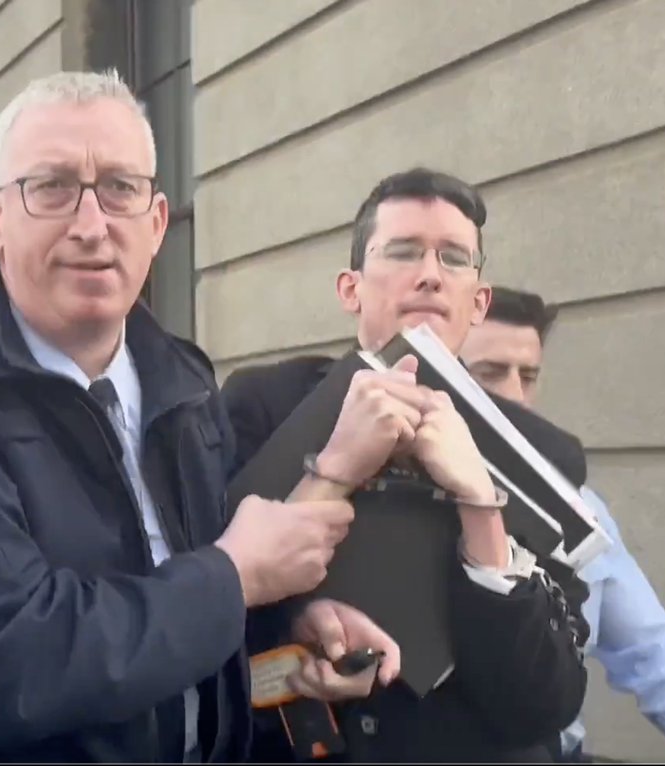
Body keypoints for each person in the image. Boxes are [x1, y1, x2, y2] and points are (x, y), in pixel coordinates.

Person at [0, 69, 388, 763]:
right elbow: (0, 661)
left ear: (156, 222)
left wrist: (287, 627)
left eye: (119, 188)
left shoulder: (183, 383)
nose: (91, 224)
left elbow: (182, 590)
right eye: (50, 188)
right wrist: (235, 578)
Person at [222, 168, 591, 762]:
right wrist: (297, 627)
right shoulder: (262, 406)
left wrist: (480, 498)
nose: (429, 274)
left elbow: (545, 700)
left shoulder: (543, 453)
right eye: (401, 252)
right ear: (351, 288)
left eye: (453, 258)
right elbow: (206, 603)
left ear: (479, 302)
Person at [461, 285, 665, 764]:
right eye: (490, 373)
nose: (515, 395)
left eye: (528, 376)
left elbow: (659, 656)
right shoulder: (388, 509)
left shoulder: (581, 510)